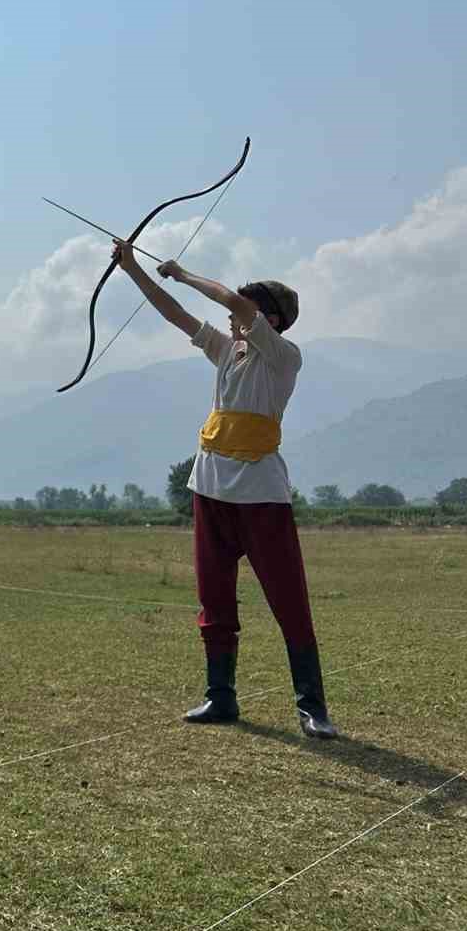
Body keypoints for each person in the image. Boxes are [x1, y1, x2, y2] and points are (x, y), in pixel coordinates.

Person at [112, 239, 340, 740]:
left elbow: (227, 302)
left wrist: (185, 272)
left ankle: (312, 707)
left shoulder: (283, 356)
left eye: (249, 308)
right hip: (211, 489)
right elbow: (174, 315)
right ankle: (221, 697)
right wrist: (132, 269)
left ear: (270, 320)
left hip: (261, 495)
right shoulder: (226, 351)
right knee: (214, 599)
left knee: (289, 602)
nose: (237, 315)